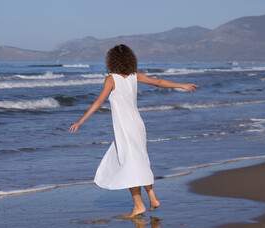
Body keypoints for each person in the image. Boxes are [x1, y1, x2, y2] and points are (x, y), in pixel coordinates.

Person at [69, 44, 198, 218]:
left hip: (124, 127)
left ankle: (139, 205)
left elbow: (99, 101)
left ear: (112, 60)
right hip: (138, 124)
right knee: (140, 160)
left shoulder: (111, 79)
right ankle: (152, 199)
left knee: (129, 164)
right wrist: (182, 85)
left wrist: (81, 120)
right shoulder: (134, 76)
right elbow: (159, 82)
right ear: (130, 59)